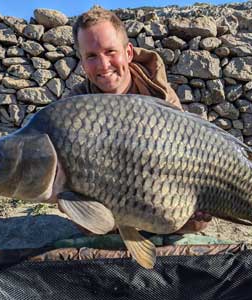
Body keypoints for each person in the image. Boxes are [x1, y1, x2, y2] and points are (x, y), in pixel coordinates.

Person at [71, 6, 211, 233]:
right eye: (91, 56)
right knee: (83, 220)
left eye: (110, 52)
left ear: (128, 52)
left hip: (158, 189)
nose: (103, 65)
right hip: (105, 196)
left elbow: (185, 158)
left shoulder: (161, 96)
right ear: (82, 61)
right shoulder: (74, 106)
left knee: (196, 221)